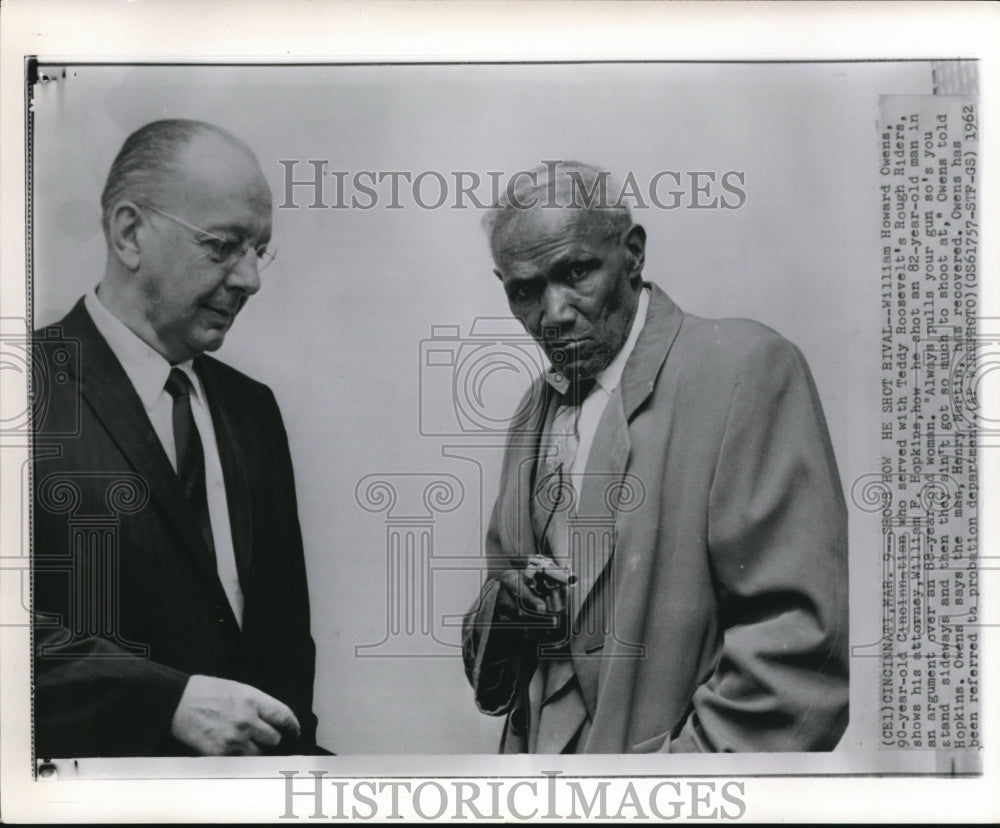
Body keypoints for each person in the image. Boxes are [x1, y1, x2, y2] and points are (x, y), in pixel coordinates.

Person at [462, 162, 849, 753]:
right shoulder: (531, 410)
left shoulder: (747, 369)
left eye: (575, 272)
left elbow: (797, 659)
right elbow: (493, 656)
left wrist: (667, 788)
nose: (555, 313)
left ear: (634, 253)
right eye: (525, 290)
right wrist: (507, 609)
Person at [33, 119, 322, 757]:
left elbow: (285, 648)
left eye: (259, 250)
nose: (251, 279)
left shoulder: (253, 411)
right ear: (129, 232)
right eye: (223, 246)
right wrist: (163, 703)